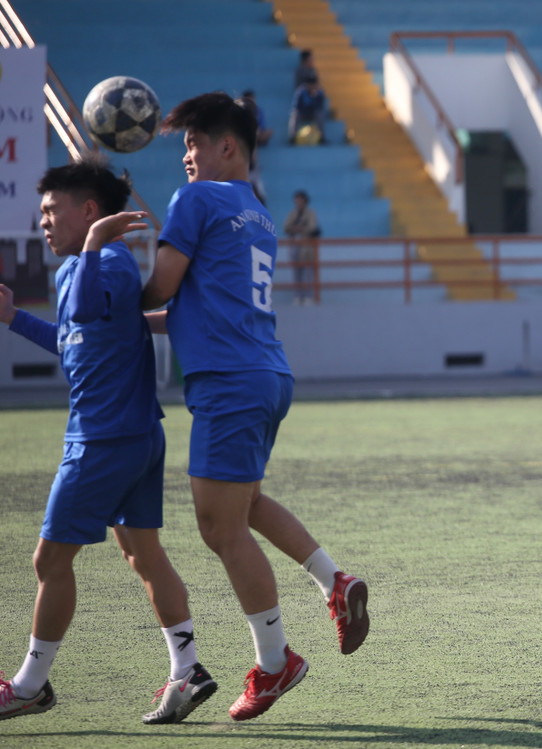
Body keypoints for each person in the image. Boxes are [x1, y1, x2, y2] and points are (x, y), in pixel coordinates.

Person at [140, 92, 370, 722]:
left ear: (227, 146)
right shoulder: (258, 212)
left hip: (229, 381)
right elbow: (192, 306)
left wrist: (106, 296)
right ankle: (335, 582)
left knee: (220, 526)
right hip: (265, 371)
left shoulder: (195, 200)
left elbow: (161, 286)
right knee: (245, 504)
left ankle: (275, 663)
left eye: (194, 142)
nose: (186, 156)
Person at [0, 156, 216, 725]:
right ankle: (187, 669)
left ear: (90, 211)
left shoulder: (110, 261)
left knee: (49, 559)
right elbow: (75, 338)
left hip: (103, 439)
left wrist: (96, 243)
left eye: (53, 210)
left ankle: (30, 686)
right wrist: (15, 318)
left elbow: (86, 306)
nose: (44, 221)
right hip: (133, 434)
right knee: (143, 555)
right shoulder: (82, 265)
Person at [284, 189, 320, 305]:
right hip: (294, 244)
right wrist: (297, 228)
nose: (298, 202)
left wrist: (300, 228)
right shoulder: (292, 214)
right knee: (296, 271)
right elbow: (286, 227)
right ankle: (297, 296)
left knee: (307, 272)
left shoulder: (311, 213)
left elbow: (313, 227)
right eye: (296, 200)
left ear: (305, 200)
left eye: (300, 199)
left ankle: (308, 296)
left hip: (306, 246)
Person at [288, 71, 329, 145]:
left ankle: (322, 137)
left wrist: (315, 97)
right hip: (303, 113)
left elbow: (320, 107)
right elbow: (296, 106)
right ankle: (293, 137)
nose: (312, 87)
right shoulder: (301, 92)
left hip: (313, 114)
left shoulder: (319, 93)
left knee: (320, 114)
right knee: (295, 114)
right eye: (311, 85)